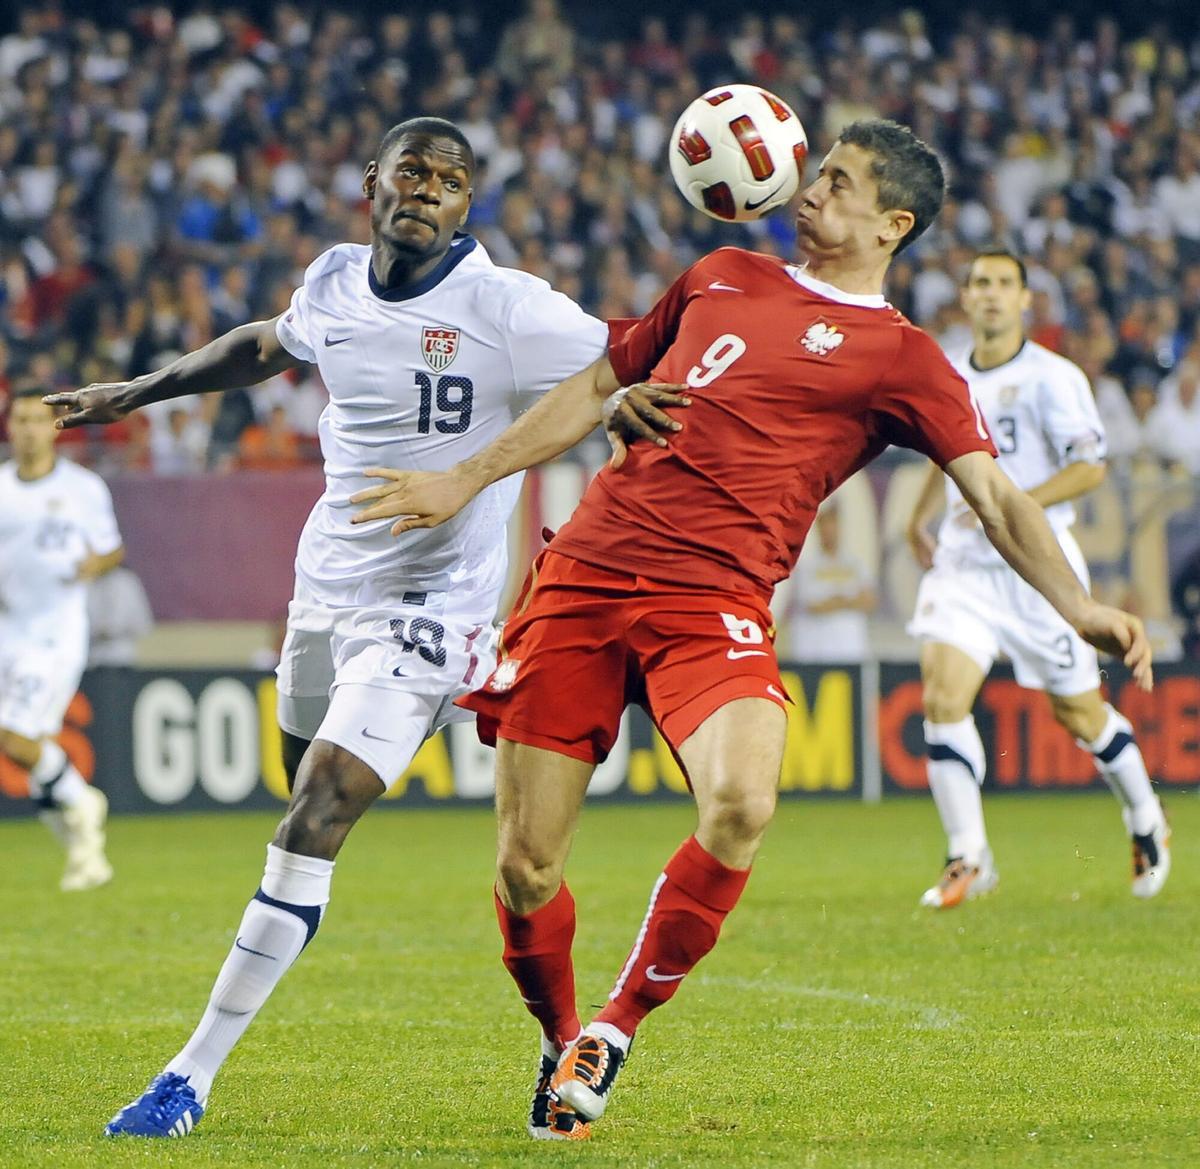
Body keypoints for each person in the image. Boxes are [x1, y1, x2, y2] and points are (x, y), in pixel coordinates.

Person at [348, 119, 1153, 1136]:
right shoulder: (720, 272)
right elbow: (599, 385)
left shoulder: (901, 358)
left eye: (842, 184)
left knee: (742, 801)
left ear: (893, 223)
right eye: (817, 174)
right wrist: (468, 475)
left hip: (713, 603)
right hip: (587, 574)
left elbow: (994, 496)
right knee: (524, 864)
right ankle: (559, 1041)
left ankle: (617, 1023)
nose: (812, 191)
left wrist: (1080, 606)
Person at [48, 117, 678, 1141]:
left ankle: (186, 1075)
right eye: (412, 172)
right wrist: (138, 389)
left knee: (316, 808)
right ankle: (328, 916)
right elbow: (267, 343)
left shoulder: (509, 307)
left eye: (451, 180)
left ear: (469, 203)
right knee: (296, 793)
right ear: (373, 183)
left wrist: (625, 397)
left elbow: (618, 363)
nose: (428, 190)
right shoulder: (336, 276)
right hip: (324, 590)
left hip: (435, 606)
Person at [905, 249, 1170, 909]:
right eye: (980, 284)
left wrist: (1016, 500)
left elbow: (1092, 465)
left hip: (1037, 568)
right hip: (966, 563)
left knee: (1079, 712)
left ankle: (1145, 816)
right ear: (964, 299)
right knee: (941, 694)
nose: (991, 295)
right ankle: (969, 854)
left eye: (1003, 284)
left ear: (1026, 300)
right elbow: (942, 453)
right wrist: (919, 516)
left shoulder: (1054, 377)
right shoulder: (944, 374)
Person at [0, 386, 124, 891]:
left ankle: (80, 801)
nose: (28, 429)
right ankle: (82, 847)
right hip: (10, 626)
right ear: (9, 427)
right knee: (19, 748)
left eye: (36, 420)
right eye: (20, 420)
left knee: (18, 740)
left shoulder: (83, 488)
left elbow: (111, 549)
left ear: (54, 428)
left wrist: (90, 565)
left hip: (56, 630)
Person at [777, 499, 876, 662]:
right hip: (817, 652)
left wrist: (836, 601)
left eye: (833, 523)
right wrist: (848, 601)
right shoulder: (806, 566)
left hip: (851, 650)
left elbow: (869, 601)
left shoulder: (855, 564)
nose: (829, 529)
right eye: (825, 524)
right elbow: (813, 604)